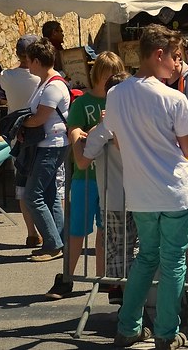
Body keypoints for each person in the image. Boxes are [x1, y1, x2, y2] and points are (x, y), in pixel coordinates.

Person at [104, 25, 188, 350]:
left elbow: (117, 142)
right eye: (174, 58)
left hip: (141, 194)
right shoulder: (174, 98)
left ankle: (128, 326)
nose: (176, 65)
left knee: (145, 258)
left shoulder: (115, 94)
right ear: (158, 55)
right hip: (174, 192)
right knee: (173, 262)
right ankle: (166, 333)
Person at [46, 51, 127, 299]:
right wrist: (81, 134)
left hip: (112, 178)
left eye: (113, 75)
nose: (109, 81)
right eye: (105, 76)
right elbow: (74, 130)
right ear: (97, 76)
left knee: (105, 232)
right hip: (86, 178)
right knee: (77, 230)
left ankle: (104, 278)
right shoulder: (83, 102)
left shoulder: (122, 103)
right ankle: (68, 277)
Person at [75, 72, 136, 306]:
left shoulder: (104, 127)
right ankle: (132, 299)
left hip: (114, 199)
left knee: (118, 251)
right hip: (142, 196)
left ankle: (122, 297)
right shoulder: (141, 122)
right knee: (139, 252)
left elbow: (82, 161)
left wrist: (75, 140)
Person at [20, 38, 71, 262]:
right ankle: (59, 242)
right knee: (49, 195)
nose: (27, 65)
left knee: (32, 195)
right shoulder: (46, 83)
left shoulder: (53, 86)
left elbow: (40, 117)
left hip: (51, 145)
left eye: (29, 61)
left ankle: (52, 244)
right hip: (49, 145)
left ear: (38, 61)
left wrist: (20, 124)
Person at [0, 34, 42, 248]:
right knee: (44, 185)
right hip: (39, 133)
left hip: (16, 135)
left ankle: (31, 232)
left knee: (22, 185)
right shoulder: (41, 79)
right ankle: (47, 230)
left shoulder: (7, 75)